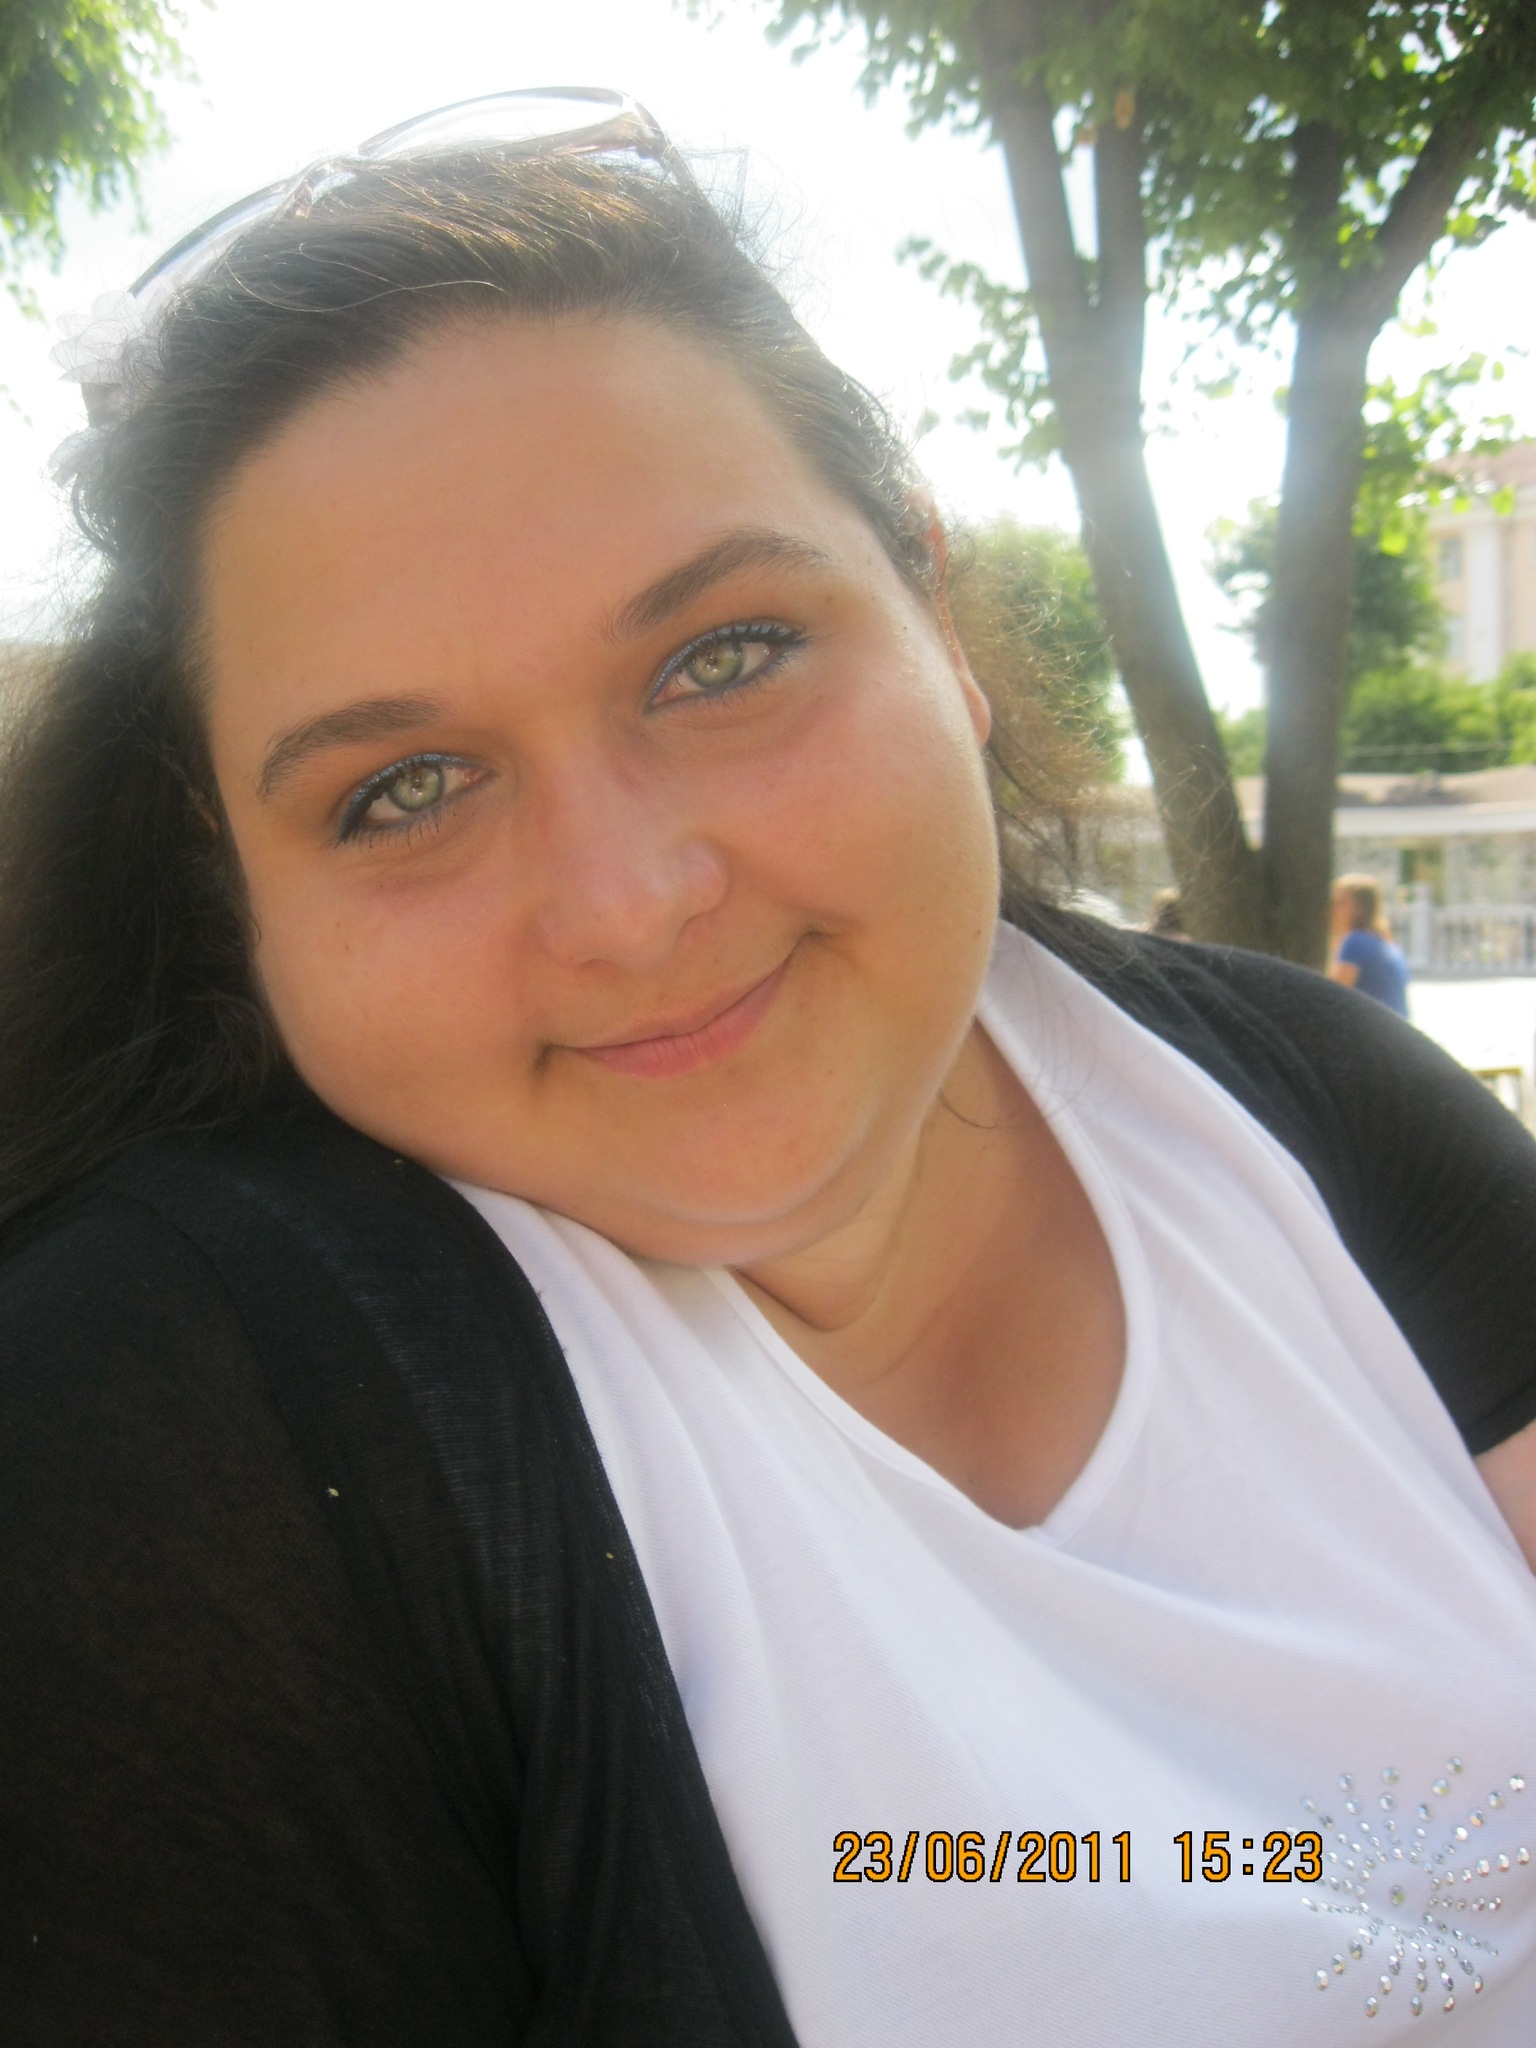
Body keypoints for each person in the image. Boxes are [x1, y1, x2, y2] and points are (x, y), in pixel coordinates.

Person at [1, 92, 1534, 2048]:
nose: (630, 902)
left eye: (721, 659)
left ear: (936, 620)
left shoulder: (1309, 1104)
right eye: (406, 788)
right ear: (239, 898)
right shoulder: (174, 1437)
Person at [1329, 872, 1411, 1015]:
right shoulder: (1388, 944)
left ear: (1361, 909)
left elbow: (1331, 996)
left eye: (1340, 903)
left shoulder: (1355, 942)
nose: (1332, 909)